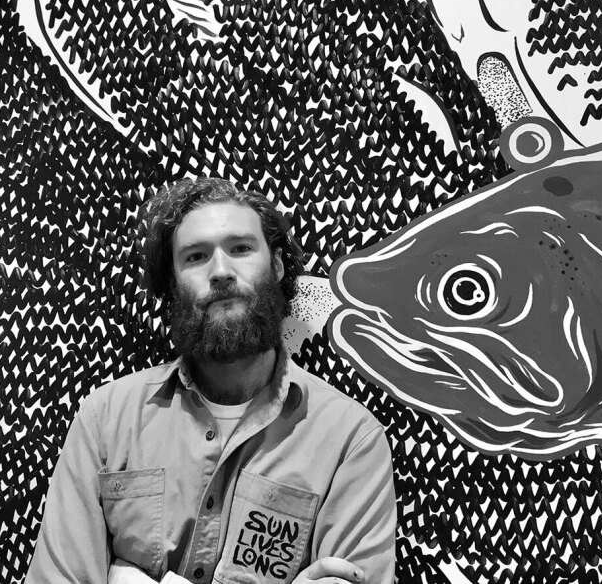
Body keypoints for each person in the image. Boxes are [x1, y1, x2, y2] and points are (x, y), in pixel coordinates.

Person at [25, 177, 396, 584]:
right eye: (197, 256)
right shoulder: (107, 420)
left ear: (276, 265)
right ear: (173, 283)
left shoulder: (351, 440)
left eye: (240, 248)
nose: (220, 271)